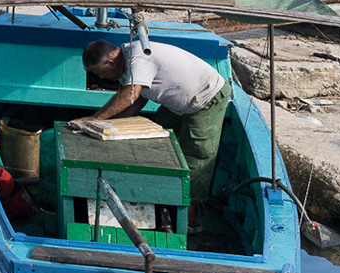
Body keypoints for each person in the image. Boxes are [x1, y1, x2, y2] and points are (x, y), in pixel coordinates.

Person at [78, 38, 232, 225]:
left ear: (109, 62)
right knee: (159, 145)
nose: (101, 79)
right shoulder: (126, 62)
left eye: (100, 73)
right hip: (176, 104)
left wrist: (97, 118)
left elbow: (131, 94)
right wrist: (106, 126)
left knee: (195, 158)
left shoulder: (139, 57)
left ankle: (190, 219)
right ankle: (161, 197)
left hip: (206, 98)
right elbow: (138, 101)